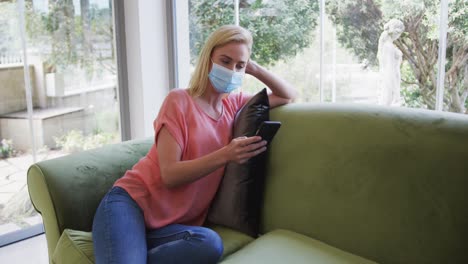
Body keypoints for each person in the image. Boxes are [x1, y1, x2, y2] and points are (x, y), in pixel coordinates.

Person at [92, 25, 297, 264]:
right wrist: (226, 155)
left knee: (210, 243)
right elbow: (170, 174)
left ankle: (131, 249)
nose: (232, 70)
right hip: (130, 205)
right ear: (208, 60)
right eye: (225, 61)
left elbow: (287, 95)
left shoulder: (234, 105)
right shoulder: (179, 100)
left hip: (171, 228)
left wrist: (251, 66)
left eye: (238, 66)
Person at [377, 19, 404, 106]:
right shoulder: (389, 47)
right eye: (400, 33)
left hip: (393, 77)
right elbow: (389, 70)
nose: (399, 36)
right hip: (391, 79)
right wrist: (395, 90)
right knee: (389, 102)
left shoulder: (388, 45)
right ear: (396, 32)